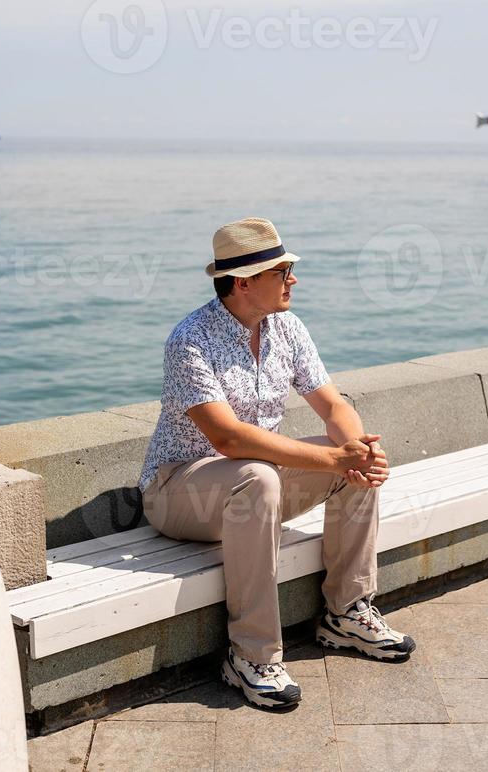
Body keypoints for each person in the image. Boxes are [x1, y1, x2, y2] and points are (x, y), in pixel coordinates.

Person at [138, 217, 415, 709]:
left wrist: (356, 453)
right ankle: (250, 655)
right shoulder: (190, 340)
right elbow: (227, 437)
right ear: (244, 282)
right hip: (179, 491)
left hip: (253, 488)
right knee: (261, 476)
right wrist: (333, 457)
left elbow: (333, 407)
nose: (294, 279)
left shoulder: (287, 328)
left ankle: (346, 615)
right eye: (283, 271)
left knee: (354, 464)